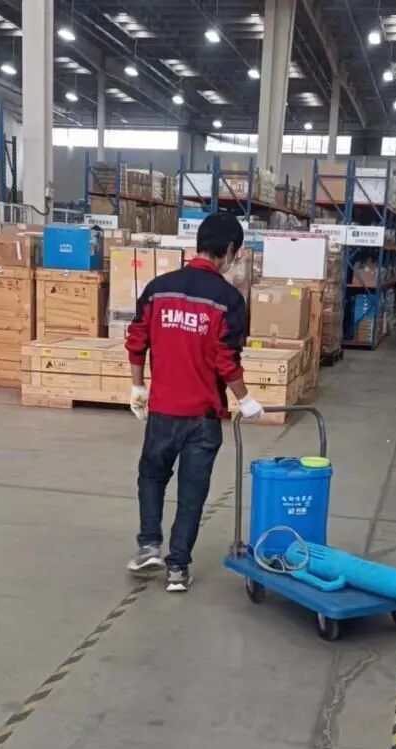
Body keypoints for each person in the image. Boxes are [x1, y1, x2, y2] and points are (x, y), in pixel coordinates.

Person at [124, 213, 263, 592]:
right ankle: (177, 569)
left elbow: (136, 340)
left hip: (163, 412)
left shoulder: (158, 289)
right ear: (230, 250)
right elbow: (226, 359)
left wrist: (138, 387)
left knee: (152, 476)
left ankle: (149, 544)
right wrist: (246, 399)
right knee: (192, 492)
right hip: (203, 416)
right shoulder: (229, 300)